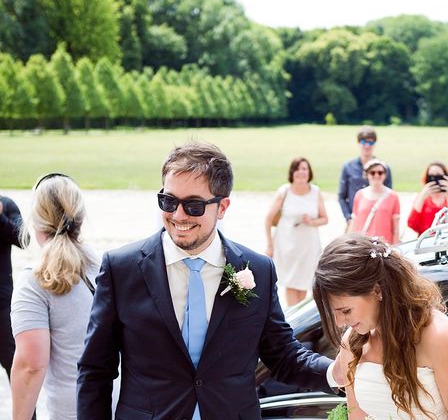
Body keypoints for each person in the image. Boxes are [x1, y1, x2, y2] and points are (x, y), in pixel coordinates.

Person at [77, 141, 331, 420]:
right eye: (169, 201)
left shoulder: (258, 270)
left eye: (193, 206)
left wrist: (335, 371)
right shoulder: (121, 269)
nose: (177, 215)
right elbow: (95, 371)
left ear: (222, 207)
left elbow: (283, 355)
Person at [314, 233, 448, 420]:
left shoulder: (440, 336)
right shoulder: (352, 343)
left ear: (377, 290)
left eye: (346, 311)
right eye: (333, 312)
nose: (339, 323)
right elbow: (356, 415)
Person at [11, 174, 100, 420]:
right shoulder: (106, 264)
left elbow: (31, 365)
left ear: (35, 221)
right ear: (80, 218)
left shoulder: (35, 280)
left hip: (72, 412)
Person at [265, 157, 328, 306]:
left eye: (304, 168)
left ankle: (296, 317)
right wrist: (270, 245)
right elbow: (268, 219)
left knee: (304, 282)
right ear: (292, 173)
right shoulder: (284, 191)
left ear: (309, 172)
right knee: (291, 282)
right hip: (287, 245)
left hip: (308, 246)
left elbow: (325, 219)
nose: (301, 172)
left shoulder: (315, 191)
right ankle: (293, 320)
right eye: (298, 169)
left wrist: (311, 222)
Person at [338, 127, 393, 228]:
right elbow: (341, 196)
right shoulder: (348, 167)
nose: (367, 146)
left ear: (374, 144)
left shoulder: (383, 168)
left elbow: (389, 194)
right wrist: (348, 217)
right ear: (359, 143)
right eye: (364, 142)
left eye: (371, 143)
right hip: (355, 219)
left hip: (378, 220)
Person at [0, 194, 24, 383]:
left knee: (16, 367)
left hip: (2, 303)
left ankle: (26, 414)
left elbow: (23, 239)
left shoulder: (6, 205)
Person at [348, 159, 400, 245]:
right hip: (362, 244)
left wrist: (395, 247)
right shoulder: (359, 194)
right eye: (372, 173)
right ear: (367, 175)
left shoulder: (393, 196)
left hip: (383, 245)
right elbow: (354, 222)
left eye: (380, 172)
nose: (376, 175)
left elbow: (396, 227)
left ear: (385, 175)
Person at [407, 162, 448, 236]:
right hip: (426, 240)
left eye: (439, 176)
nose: (435, 179)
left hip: (447, 239)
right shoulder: (422, 197)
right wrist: (422, 196)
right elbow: (412, 224)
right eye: (431, 176)